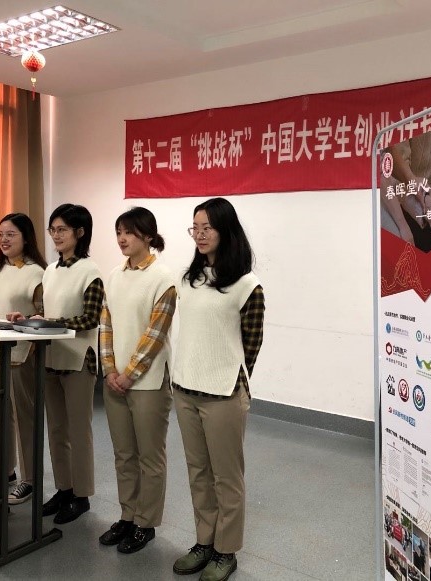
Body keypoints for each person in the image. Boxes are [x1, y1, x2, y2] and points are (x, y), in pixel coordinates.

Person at [171, 198, 265, 581]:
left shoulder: (247, 285)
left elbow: (252, 343)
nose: (200, 234)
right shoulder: (188, 279)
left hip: (224, 392)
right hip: (185, 389)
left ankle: (226, 550)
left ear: (226, 230)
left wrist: (230, 378)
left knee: (227, 477)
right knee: (198, 472)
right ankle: (204, 542)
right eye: (195, 227)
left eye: (207, 227)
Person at [10, 203, 103, 525]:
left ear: (80, 232)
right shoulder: (50, 271)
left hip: (78, 360)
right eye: (53, 229)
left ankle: (82, 496)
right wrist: (28, 318)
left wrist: (53, 322)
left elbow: (91, 318)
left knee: (79, 432)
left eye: (62, 229)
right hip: (51, 358)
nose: (56, 235)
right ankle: (64, 489)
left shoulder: (91, 271)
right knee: (57, 431)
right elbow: (47, 312)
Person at [98, 207, 176, 554]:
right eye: (118, 232)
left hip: (148, 383)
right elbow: (106, 325)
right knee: (124, 455)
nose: (122, 238)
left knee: (149, 457)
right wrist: (110, 369)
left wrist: (129, 374)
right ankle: (127, 516)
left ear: (148, 235)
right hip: (115, 380)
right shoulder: (114, 276)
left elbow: (154, 335)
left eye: (128, 232)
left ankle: (146, 523)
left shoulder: (163, 279)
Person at [0, 213, 47, 506]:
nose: (4, 240)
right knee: (1, 416)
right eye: (0, 234)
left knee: (25, 418)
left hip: (24, 353)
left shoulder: (37, 273)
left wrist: (28, 320)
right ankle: (6, 471)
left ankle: (30, 480)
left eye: (11, 234)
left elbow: (43, 314)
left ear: (26, 237)